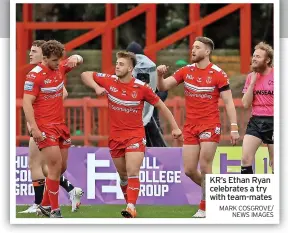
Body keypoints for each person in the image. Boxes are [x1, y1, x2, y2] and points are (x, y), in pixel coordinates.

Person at [81, 51, 182, 218]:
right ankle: (130, 206)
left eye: (121, 64)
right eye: (117, 63)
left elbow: (161, 106)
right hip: (115, 138)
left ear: (130, 68)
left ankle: (131, 207)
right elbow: (85, 74)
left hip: (135, 136)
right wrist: (97, 87)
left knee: (133, 171)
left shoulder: (141, 88)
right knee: (123, 176)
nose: (117, 66)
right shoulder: (109, 81)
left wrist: (175, 127)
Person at [156, 36, 240, 218]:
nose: (192, 50)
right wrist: (159, 75)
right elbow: (162, 86)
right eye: (192, 47)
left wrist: (234, 127)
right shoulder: (186, 71)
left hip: (210, 125)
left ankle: (204, 207)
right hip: (191, 126)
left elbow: (229, 103)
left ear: (207, 51)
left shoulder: (218, 74)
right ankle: (218, 193)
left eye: (197, 47)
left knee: (205, 165)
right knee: (189, 170)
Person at [19, 40, 84, 214]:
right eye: (55, 60)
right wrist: (34, 127)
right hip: (45, 127)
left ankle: (46, 205)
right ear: (45, 59)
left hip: (60, 125)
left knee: (60, 168)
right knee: (53, 167)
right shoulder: (35, 75)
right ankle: (55, 211)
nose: (58, 63)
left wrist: (77, 57)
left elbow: (77, 60)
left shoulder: (60, 67)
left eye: (59, 60)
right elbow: (26, 102)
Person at [126, 41, 168, 147]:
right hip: (132, 118)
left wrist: (152, 99)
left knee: (156, 143)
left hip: (151, 116)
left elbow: (163, 91)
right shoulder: (126, 72)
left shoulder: (150, 70)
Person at [241, 42, 274, 174]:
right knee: (245, 159)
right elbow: (245, 104)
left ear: (267, 60)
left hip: (274, 121)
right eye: (253, 56)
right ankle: (249, 193)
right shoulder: (251, 77)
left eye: (258, 57)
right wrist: (252, 83)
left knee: (275, 162)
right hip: (256, 120)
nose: (254, 59)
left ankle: (277, 193)